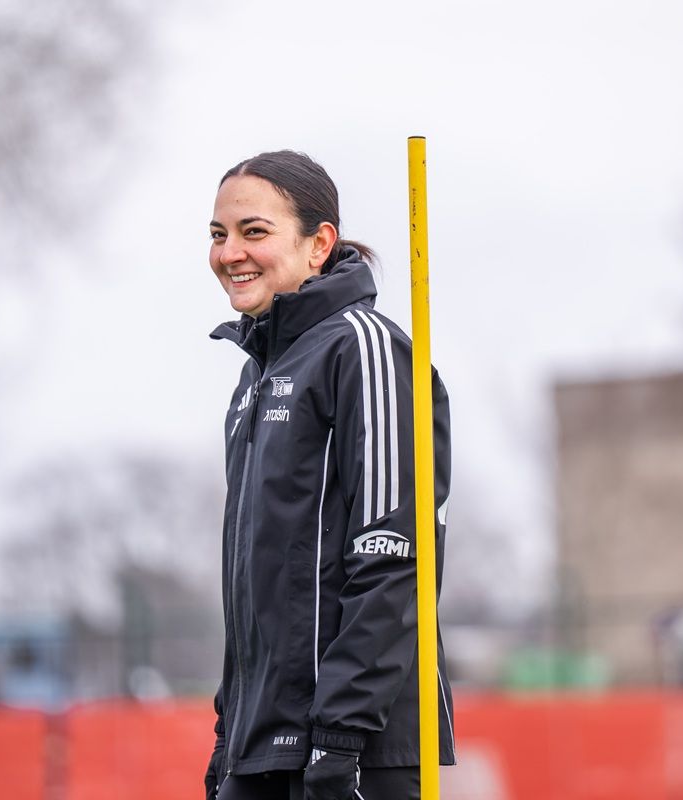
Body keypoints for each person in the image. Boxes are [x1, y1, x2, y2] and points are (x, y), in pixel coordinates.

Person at [204, 150, 455, 800]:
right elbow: (259, 588)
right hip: (260, 747)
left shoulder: (363, 347)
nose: (231, 252)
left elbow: (395, 560)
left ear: (320, 244)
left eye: (254, 231)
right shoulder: (253, 379)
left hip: (355, 751)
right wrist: (228, 740)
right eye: (218, 233)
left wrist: (338, 736)